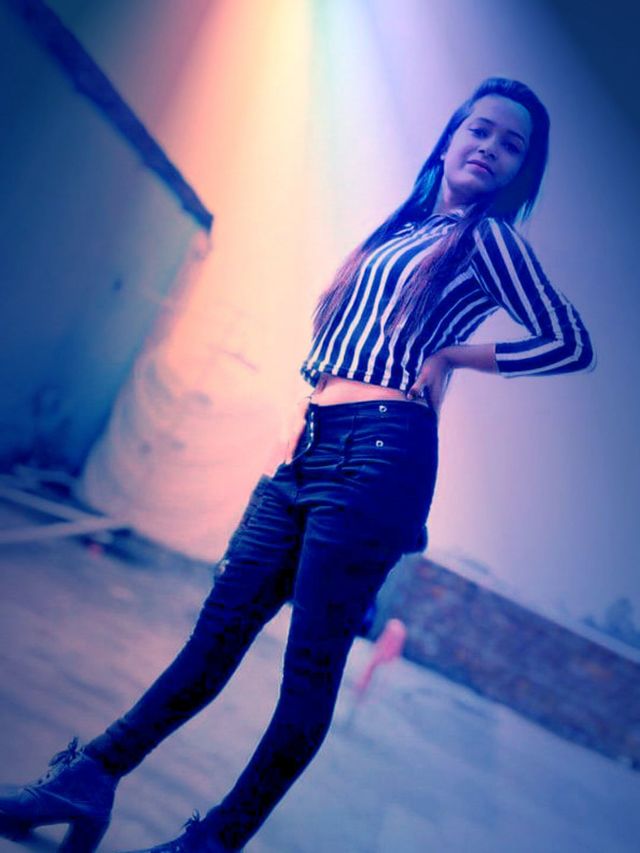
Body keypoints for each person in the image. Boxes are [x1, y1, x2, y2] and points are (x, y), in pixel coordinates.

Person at [0, 77, 595, 853]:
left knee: (308, 669)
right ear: (451, 137)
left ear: (520, 171)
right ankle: (89, 780)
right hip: (313, 449)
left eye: (511, 144)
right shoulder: (404, 228)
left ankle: (215, 841)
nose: (489, 147)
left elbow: (569, 341)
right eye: (478, 129)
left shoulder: (489, 241)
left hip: (381, 459)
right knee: (216, 632)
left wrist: (455, 353)